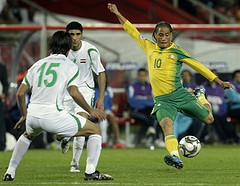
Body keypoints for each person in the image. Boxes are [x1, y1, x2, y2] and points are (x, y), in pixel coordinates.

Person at [108, 3, 232, 169]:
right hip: (162, 100)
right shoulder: (148, 47)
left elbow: (197, 65)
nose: (164, 38)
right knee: (166, 125)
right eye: (160, 35)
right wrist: (117, 12)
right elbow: (132, 31)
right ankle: (175, 157)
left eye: (167, 35)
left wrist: (217, 80)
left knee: (209, 119)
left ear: (171, 35)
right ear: (155, 35)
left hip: (179, 95)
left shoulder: (177, 51)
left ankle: (200, 95)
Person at [3, 31, 113, 181]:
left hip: (33, 114)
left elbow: (20, 94)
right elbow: (74, 93)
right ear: (68, 47)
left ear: (51, 46)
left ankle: (10, 172)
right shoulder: (69, 65)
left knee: (27, 136)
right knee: (95, 130)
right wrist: (90, 110)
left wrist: (24, 115)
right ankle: (90, 171)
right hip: (53, 116)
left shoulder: (38, 64)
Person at [62, 21, 106, 173]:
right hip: (65, 92)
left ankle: (74, 163)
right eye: (71, 34)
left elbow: (100, 72)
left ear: (82, 34)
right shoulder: (62, 50)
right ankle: (66, 136)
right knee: (60, 131)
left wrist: (100, 98)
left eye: (77, 34)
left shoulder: (90, 51)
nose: (74, 38)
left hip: (85, 91)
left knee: (82, 121)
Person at [202, 70, 239, 143]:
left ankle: (235, 139)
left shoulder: (223, 86)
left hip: (223, 112)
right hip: (210, 112)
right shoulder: (203, 87)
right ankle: (225, 140)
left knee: (225, 123)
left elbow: (232, 97)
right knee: (216, 124)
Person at [127, 68, 157, 145]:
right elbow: (132, 102)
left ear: (146, 76)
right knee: (152, 117)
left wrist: (140, 101)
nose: (142, 77)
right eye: (140, 75)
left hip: (147, 111)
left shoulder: (151, 87)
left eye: (144, 75)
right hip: (136, 111)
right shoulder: (132, 87)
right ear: (138, 76)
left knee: (155, 114)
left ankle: (145, 138)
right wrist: (146, 102)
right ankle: (153, 138)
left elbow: (154, 101)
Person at [95, 80, 126, 148]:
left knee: (110, 117)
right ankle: (103, 142)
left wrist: (111, 108)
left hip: (107, 111)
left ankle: (117, 140)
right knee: (103, 120)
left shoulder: (108, 90)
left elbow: (110, 103)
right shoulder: (94, 90)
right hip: (95, 112)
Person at [0, 62, 8, 151]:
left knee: (1, 123)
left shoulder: (2, 67)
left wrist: (4, 94)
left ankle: (2, 145)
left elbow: (5, 83)